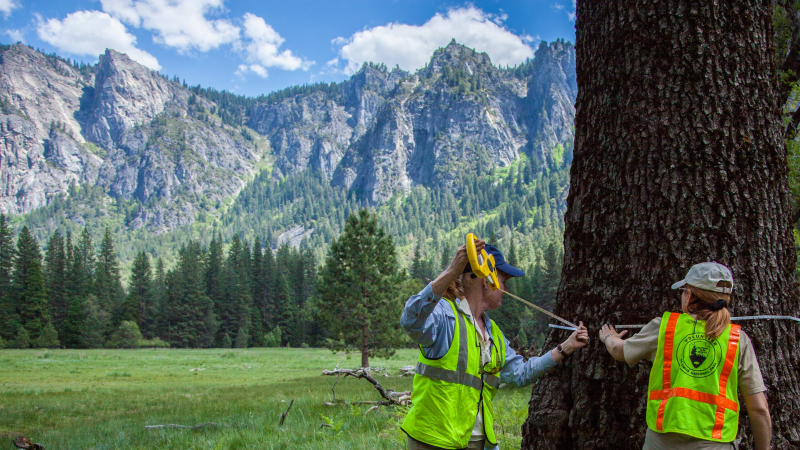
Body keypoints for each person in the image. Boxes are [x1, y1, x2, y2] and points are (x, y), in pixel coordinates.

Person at [400, 238, 589, 450]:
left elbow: (520, 373)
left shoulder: (494, 334)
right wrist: (452, 271)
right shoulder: (445, 315)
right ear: (486, 279)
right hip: (434, 439)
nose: (507, 288)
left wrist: (565, 348)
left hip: (478, 441)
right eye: (504, 281)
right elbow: (411, 320)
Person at [599, 262, 772, 450]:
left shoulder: (665, 328)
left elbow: (619, 351)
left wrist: (609, 336)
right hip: (715, 443)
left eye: (683, 291)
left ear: (689, 296)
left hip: (662, 442)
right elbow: (759, 409)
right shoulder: (738, 340)